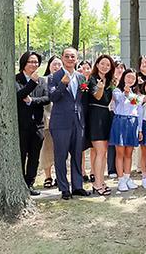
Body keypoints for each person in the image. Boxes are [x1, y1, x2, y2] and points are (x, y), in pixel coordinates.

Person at [48, 47, 90, 200]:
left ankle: (77, 186)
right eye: (67, 56)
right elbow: (52, 97)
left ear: (76, 59)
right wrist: (62, 84)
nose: (70, 59)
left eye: (73, 56)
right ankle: (64, 188)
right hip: (60, 123)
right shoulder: (54, 77)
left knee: (77, 155)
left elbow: (82, 101)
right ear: (62, 58)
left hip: (78, 122)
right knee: (61, 156)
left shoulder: (80, 77)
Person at [15, 51, 50, 196]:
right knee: (22, 155)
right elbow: (19, 95)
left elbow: (47, 98)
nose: (34, 65)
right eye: (31, 62)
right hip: (22, 125)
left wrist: (33, 101)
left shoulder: (41, 80)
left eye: (36, 62)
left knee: (34, 157)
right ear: (24, 63)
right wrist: (32, 83)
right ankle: (20, 183)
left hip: (38, 125)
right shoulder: (16, 79)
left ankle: (30, 183)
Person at [109, 69, 143, 192]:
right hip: (120, 121)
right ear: (123, 77)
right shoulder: (117, 91)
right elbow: (120, 102)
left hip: (132, 123)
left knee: (129, 153)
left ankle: (128, 177)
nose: (130, 80)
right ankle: (121, 179)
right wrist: (126, 93)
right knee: (120, 153)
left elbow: (139, 111)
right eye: (128, 77)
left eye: (133, 78)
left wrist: (139, 130)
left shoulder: (137, 95)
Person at [87, 55, 115, 196]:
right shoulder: (92, 79)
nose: (105, 66)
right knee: (100, 151)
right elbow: (97, 97)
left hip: (105, 116)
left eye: (108, 65)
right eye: (102, 63)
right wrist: (99, 88)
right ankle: (97, 184)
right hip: (95, 116)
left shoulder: (110, 81)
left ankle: (101, 180)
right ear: (97, 64)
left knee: (103, 152)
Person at [40, 55, 63, 189]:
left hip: (62, 120)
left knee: (61, 150)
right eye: (54, 64)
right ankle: (48, 176)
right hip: (47, 118)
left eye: (59, 64)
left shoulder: (66, 79)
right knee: (46, 149)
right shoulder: (43, 80)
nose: (56, 67)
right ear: (49, 65)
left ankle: (60, 176)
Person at [107, 60, 126, 178]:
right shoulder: (110, 83)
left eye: (122, 67)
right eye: (117, 67)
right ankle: (111, 169)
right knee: (112, 141)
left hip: (125, 116)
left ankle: (123, 167)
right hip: (112, 114)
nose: (119, 70)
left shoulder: (127, 83)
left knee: (123, 142)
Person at [78, 60, 93, 183]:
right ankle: (82, 171)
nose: (86, 70)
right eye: (83, 68)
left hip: (92, 115)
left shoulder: (94, 82)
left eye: (88, 68)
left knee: (94, 146)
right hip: (81, 115)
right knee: (81, 146)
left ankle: (93, 171)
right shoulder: (78, 82)